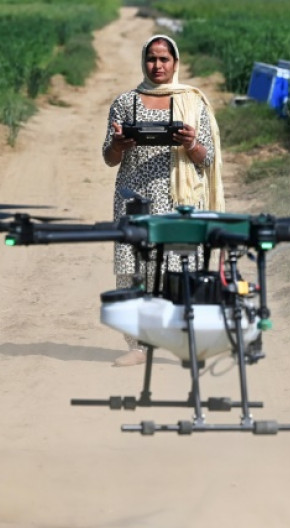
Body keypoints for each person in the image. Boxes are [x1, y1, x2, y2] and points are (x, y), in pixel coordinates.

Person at [102, 34, 225, 367]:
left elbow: (206, 158)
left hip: (179, 201)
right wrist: (120, 144)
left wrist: (190, 143)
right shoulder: (125, 102)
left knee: (180, 268)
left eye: (163, 59)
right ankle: (138, 346)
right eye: (151, 59)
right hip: (133, 199)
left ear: (175, 62)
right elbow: (109, 158)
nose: (157, 66)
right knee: (133, 269)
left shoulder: (192, 102)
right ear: (144, 61)